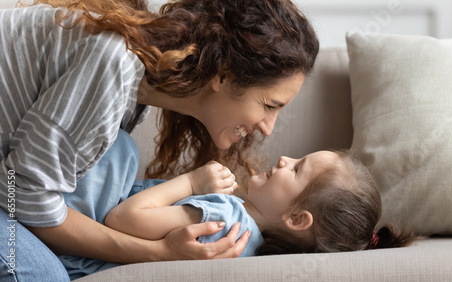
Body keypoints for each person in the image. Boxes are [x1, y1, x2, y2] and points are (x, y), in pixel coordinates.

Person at [0, 0, 319, 280]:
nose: (268, 129)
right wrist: (157, 252)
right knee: (42, 274)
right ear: (223, 76)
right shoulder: (114, 65)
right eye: (269, 106)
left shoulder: (134, 90)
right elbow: (23, 197)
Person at [105, 130, 415, 258]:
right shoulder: (245, 236)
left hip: (87, 230)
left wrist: (190, 182)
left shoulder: (226, 219)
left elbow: (120, 218)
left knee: (121, 146)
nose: (284, 160)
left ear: (295, 219)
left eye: (296, 170)